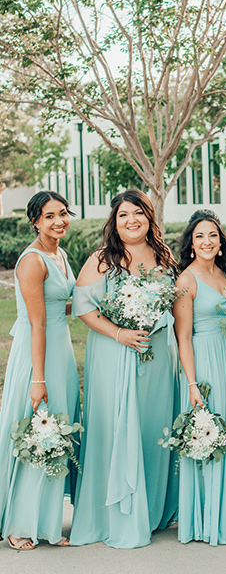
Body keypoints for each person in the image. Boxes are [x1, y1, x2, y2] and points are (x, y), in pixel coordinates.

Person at [70, 189, 179, 548]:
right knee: (114, 428)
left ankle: (149, 509)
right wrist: (119, 333)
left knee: (152, 426)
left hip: (157, 358)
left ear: (149, 218)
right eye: (123, 215)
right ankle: (111, 515)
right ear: (114, 222)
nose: (131, 220)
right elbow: (84, 307)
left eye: (138, 213)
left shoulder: (163, 257)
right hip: (114, 353)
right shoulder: (103, 258)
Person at [0, 191, 80, 550]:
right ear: (35, 220)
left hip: (60, 351)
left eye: (62, 214)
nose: (58, 221)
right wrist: (38, 379)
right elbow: (37, 323)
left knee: (57, 434)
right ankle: (19, 524)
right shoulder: (33, 261)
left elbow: (64, 307)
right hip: (37, 356)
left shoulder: (59, 253)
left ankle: (48, 524)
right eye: (49, 216)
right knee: (38, 434)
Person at [173, 209, 226, 546]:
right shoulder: (186, 280)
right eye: (200, 236)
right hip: (207, 362)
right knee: (211, 433)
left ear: (220, 241)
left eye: (212, 235)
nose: (206, 241)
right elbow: (183, 337)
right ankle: (209, 517)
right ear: (191, 243)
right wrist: (192, 382)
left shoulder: (224, 272)